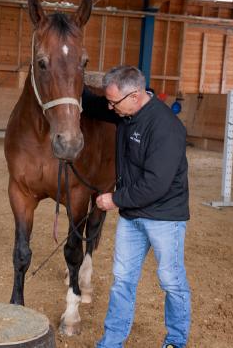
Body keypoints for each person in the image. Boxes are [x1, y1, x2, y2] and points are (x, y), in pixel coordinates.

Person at [81, 65, 191, 348]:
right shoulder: (124, 112)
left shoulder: (166, 127)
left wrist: (113, 199)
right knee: (122, 281)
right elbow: (92, 105)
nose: (109, 107)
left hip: (164, 217)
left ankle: (176, 341)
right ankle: (111, 342)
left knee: (171, 280)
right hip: (133, 217)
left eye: (113, 102)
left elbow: (156, 184)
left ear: (135, 95)